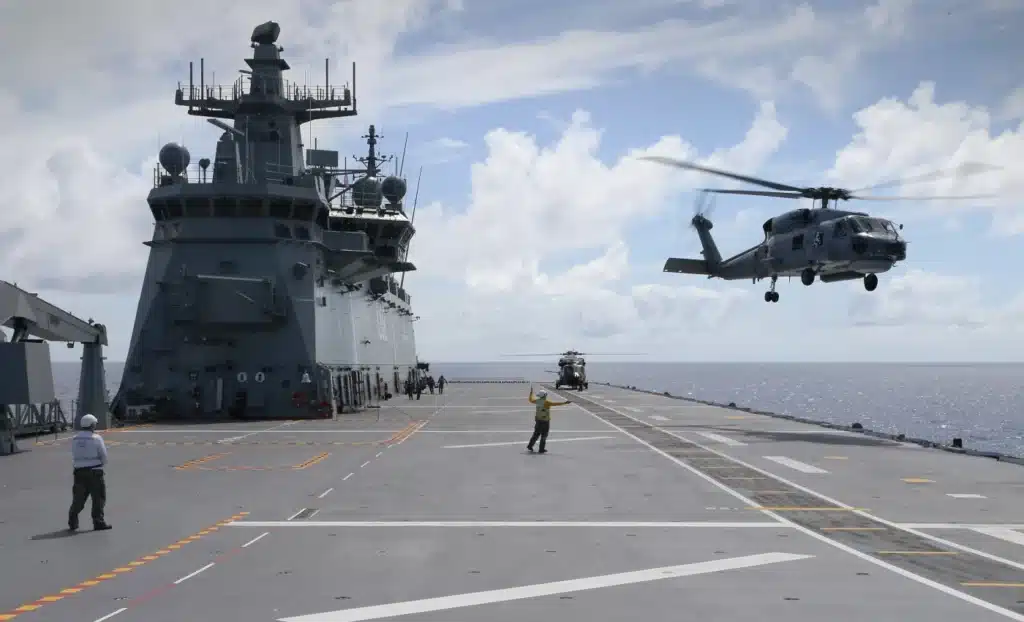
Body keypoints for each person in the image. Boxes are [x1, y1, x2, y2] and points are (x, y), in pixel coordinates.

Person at [68, 414, 112, 531]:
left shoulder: (75, 438)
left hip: (79, 472)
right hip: (95, 472)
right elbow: (103, 455)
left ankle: (72, 520)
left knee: (79, 499)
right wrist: (101, 464)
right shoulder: (96, 438)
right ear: (92, 425)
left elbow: (73, 454)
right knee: (98, 498)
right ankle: (98, 522)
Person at [526, 388, 571, 454]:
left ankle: (530, 446)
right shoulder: (546, 402)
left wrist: (531, 393)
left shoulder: (537, 401)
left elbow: (530, 399)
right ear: (544, 395)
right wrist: (565, 403)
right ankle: (541, 449)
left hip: (538, 421)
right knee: (544, 435)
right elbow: (555, 404)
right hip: (545, 422)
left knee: (536, 434)